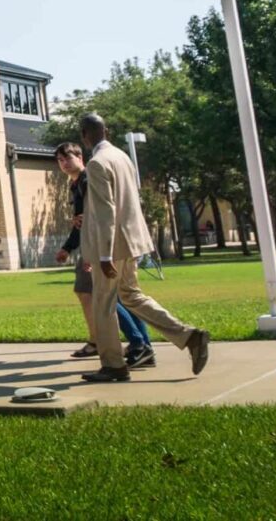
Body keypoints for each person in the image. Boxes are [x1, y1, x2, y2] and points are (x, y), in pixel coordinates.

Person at [78, 114, 211, 382]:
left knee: (104, 304)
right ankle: (189, 336)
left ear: (84, 135)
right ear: (107, 130)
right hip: (132, 241)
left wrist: (104, 255)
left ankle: (113, 365)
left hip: (112, 247)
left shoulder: (96, 163)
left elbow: (106, 212)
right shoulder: (122, 157)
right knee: (131, 295)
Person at [51, 142, 153, 367]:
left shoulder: (90, 177)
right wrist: (69, 247)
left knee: (107, 297)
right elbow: (83, 221)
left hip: (104, 246)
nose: (64, 163)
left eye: (67, 158)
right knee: (122, 297)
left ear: (80, 157)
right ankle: (144, 346)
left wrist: (94, 254)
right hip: (103, 245)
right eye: (60, 160)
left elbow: (101, 214)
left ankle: (138, 343)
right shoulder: (76, 184)